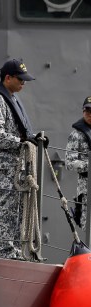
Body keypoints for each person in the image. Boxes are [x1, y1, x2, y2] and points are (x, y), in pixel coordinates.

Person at [0, 59, 47, 260]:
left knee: (19, 210)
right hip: (3, 166)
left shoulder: (13, 98)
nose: (24, 83)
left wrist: (34, 139)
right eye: (20, 79)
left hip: (17, 166)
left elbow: (20, 132)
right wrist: (21, 141)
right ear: (7, 78)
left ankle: (16, 251)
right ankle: (5, 252)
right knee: (7, 207)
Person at [66, 96, 91, 230]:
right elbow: (69, 162)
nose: (89, 114)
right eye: (87, 111)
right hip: (86, 189)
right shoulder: (76, 135)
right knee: (87, 230)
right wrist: (89, 166)